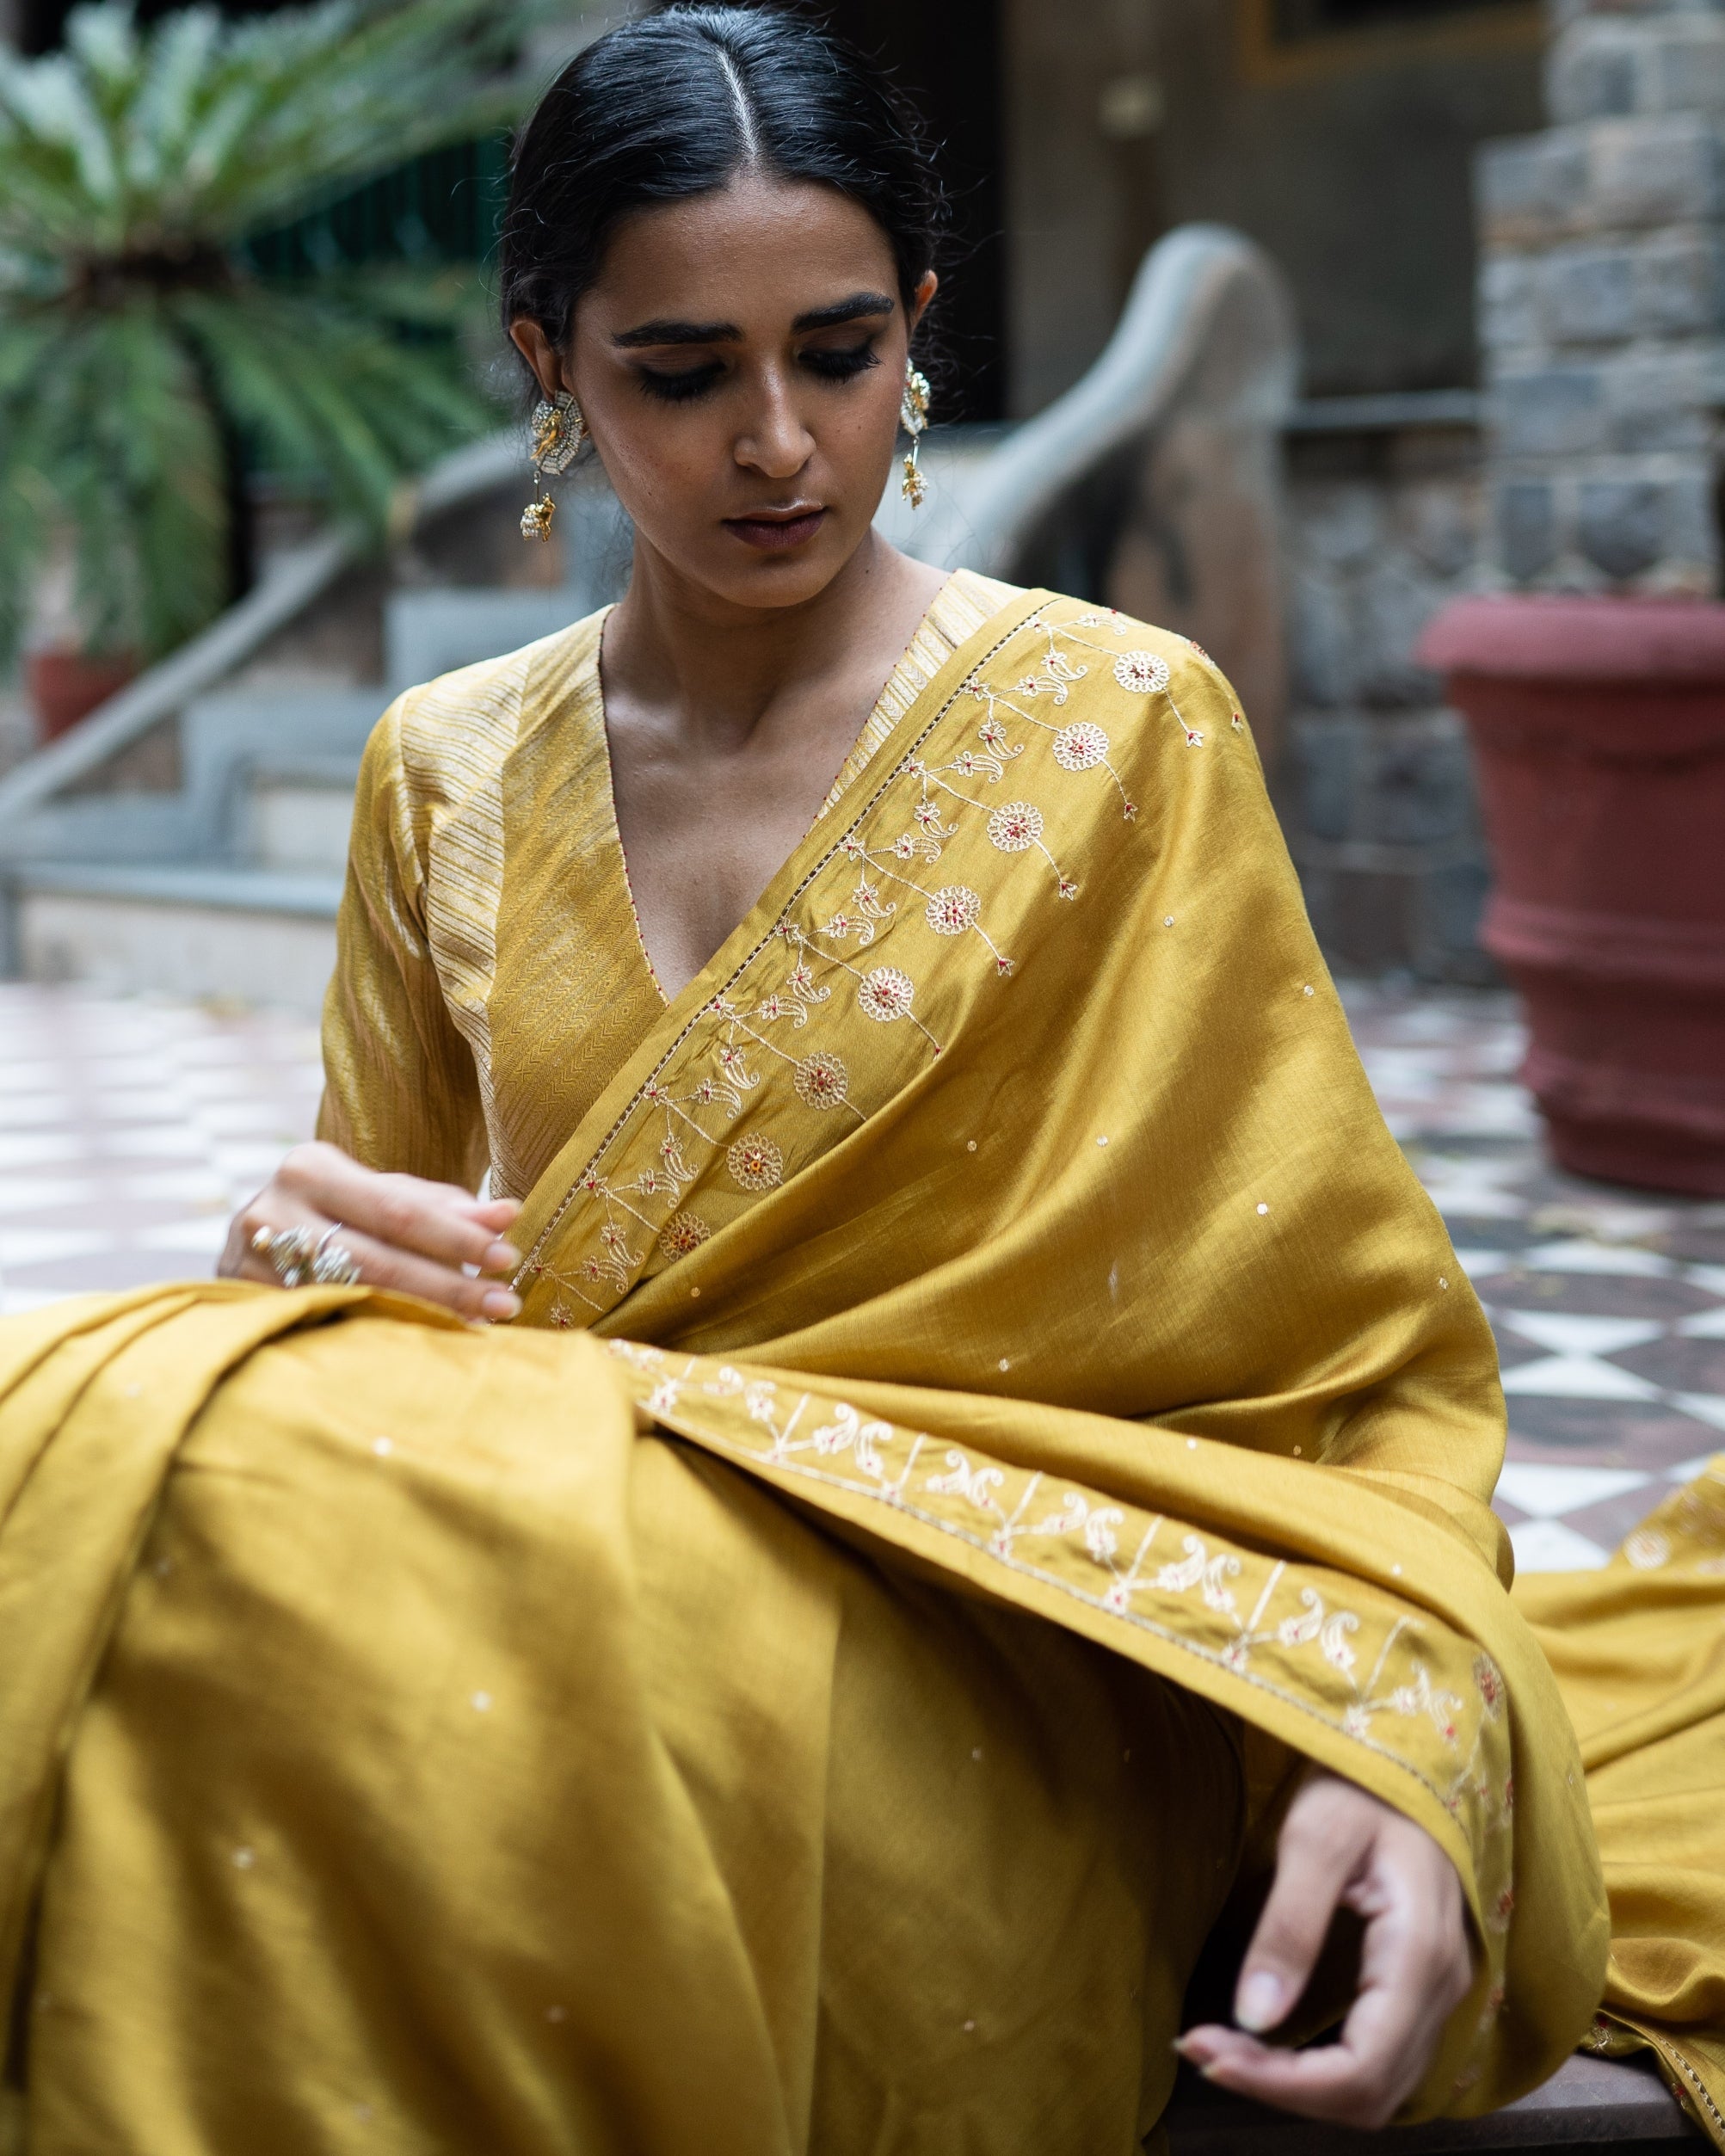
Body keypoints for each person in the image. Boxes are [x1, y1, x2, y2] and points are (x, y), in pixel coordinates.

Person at [1, 10, 1719, 2153]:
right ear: (547, 366)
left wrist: (1391, 1716)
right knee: (150, 1463)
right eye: (680, 372)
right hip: (566, 1565)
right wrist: (273, 1257)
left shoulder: (1115, 727)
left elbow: (1349, 1352)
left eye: (836, 351)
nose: (779, 443)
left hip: (999, 1636)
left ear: (918, 326)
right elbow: (364, 1277)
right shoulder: (437, 767)